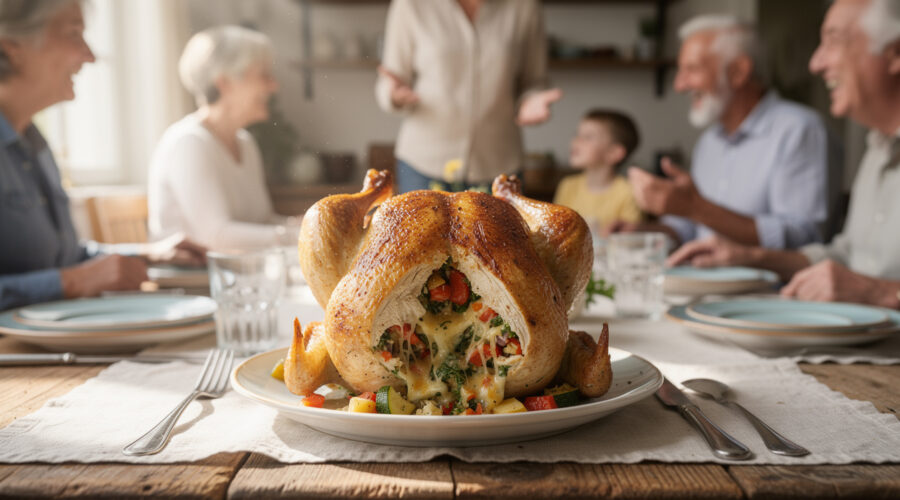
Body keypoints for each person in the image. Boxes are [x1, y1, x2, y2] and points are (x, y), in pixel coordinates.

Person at [668, 0, 900, 308]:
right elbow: (845, 256)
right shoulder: (878, 148)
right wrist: (751, 257)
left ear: (895, 53)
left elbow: (810, 238)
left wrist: (882, 293)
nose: (815, 63)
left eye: (833, 41)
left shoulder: (801, 129)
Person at [0, 0, 205, 311]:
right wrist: (73, 282)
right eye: (73, 33)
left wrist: (147, 254)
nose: (90, 55)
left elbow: (64, 258)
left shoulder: (34, 145)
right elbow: (70, 274)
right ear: (11, 47)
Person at [616, 15, 839, 250]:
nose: (679, 85)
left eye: (691, 69)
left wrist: (695, 207)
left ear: (738, 72)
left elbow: (803, 238)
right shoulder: (709, 141)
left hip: (772, 287)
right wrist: (641, 232)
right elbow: (690, 229)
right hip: (700, 282)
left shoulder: (799, 130)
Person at [375, 0, 563, 193]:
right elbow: (390, 79)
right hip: (423, 164)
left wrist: (530, 100)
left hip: (498, 165)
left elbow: (535, 80)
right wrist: (394, 95)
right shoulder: (410, 5)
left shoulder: (525, 7)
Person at [148, 25, 297, 251]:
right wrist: (294, 235)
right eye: (263, 75)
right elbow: (216, 237)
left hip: (236, 277)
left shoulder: (245, 143)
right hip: (191, 281)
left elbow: (262, 221)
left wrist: (302, 226)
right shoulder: (189, 143)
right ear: (224, 82)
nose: (273, 85)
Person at [553, 109, 643, 232]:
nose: (576, 141)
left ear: (613, 153)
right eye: (577, 135)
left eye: (588, 137)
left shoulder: (629, 192)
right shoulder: (567, 186)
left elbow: (630, 235)